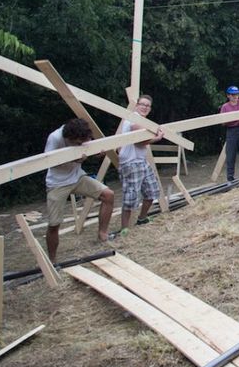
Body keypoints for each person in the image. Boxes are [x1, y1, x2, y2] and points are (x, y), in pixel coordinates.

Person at [44, 118, 117, 261]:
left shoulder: (83, 134)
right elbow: (49, 162)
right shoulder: (55, 138)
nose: (80, 145)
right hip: (57, 183)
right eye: (77, 143)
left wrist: (96, 154)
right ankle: (52, 261)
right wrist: (75, 159)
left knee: (108, 195)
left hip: (77, 177)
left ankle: (103, 235)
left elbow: (90, 147)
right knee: (54, 224)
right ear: (68, 138)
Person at [118, 95, 165, 233]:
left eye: (147, 106)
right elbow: (140, 141)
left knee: (152, 191)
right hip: (130, 163)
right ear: (137, 105)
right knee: (131, 197)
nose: (145, 107)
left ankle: (142, 218)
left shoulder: (142, 121)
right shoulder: (133, 119)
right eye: (142, 104)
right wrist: (157, 138)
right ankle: (124, 228)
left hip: (141, 161)